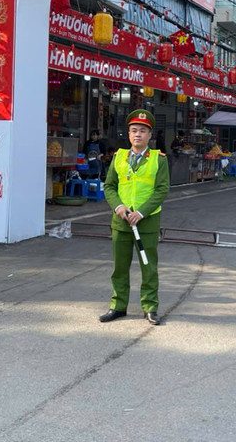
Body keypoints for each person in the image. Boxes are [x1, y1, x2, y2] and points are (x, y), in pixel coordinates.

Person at [101, 109, 171, 326]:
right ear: (128, 134)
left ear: (150, 135)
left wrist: (141, 212)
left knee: (148, 266)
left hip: (146, 223)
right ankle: (118, 306)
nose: (137, 134)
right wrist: (118, 206)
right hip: (121, 223)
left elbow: (162, 190)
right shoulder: (118, 157)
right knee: (119, 267)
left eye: (142, 131)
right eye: (133, 130)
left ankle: (150, 307)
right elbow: (110, 186)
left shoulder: (158, 160)